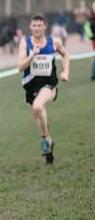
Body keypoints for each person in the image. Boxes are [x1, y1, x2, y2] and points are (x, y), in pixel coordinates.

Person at [18, 13, 70, 164]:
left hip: (49, 84)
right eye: (34, 25)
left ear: (45, 27)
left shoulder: (53, 42)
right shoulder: (25, 42)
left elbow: (66, 55)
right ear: (30, 27)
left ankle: (45, 141)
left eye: (40, 25)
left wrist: (65, 71)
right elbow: (20, 67)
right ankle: (48, 140)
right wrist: (32, 55)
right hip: (31, 85)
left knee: (38, 106)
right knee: (39, 111)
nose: (37, 28)